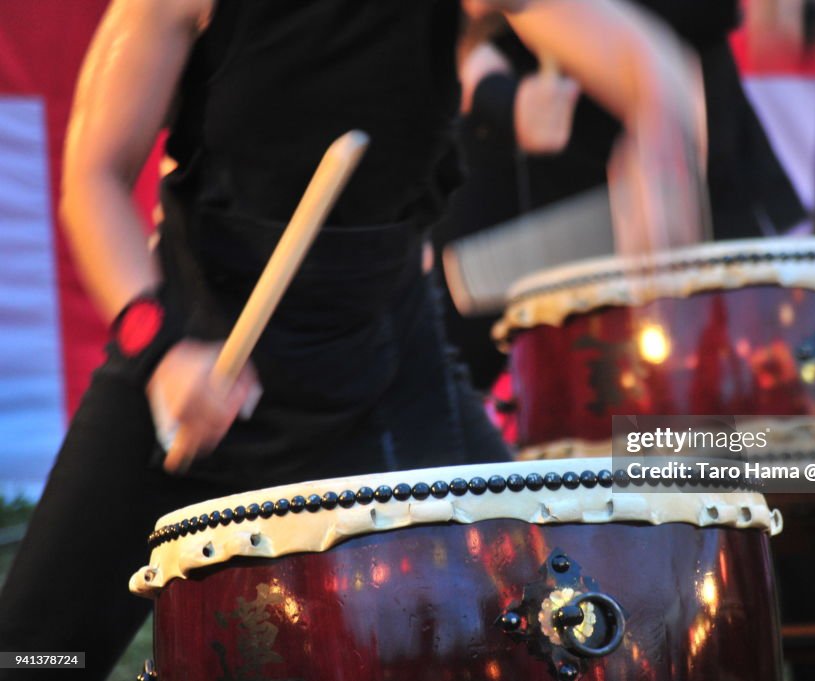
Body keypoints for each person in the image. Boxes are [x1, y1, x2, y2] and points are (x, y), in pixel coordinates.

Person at [0, 0, 706, 678]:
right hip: (197, 358)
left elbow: (649, 63)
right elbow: (93, 178)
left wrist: (660, 145)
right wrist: (159, 348)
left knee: (555, 619)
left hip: (387, 364)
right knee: (34, 654)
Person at [433, 0, 809, 391]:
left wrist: (663, 126)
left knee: (715, 408)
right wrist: (491, 92)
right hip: (543, 160)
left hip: (700, 157)